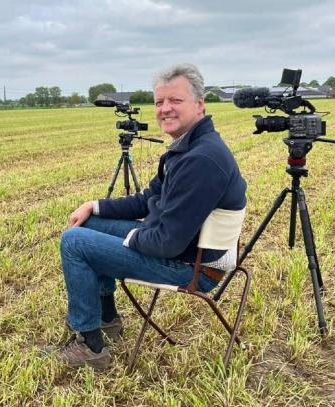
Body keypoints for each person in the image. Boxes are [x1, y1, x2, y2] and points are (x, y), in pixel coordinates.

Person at [52, 64, 247, 370]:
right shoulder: (187, 148)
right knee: (88, 224)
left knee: (75, 242)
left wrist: (128, 238)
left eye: (175, 100)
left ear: (199, 104)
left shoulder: (201, 160)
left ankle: (90, 346)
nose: (165, 109)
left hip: (193, 267)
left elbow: (167, 243)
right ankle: (107, 319)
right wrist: (94, 205)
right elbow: (146, 201)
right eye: (159, 102)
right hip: (184, 249)